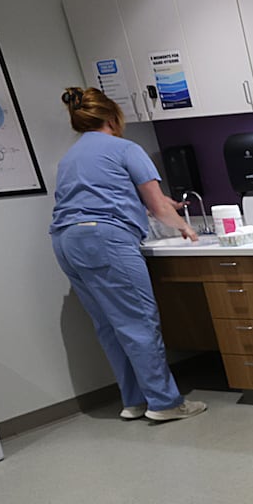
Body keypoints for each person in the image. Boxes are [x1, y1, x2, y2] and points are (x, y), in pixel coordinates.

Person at [50, 88, 207, 422]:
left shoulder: (70, 157)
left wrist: (165, 206)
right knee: (138, 322)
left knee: (110, 325)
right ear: (113, 117)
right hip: (104, 239)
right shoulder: (126, 147)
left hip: (66, 241)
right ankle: (165, 402)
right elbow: (156, 206)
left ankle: (134, 401)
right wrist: (185, 228)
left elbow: (101, 195)